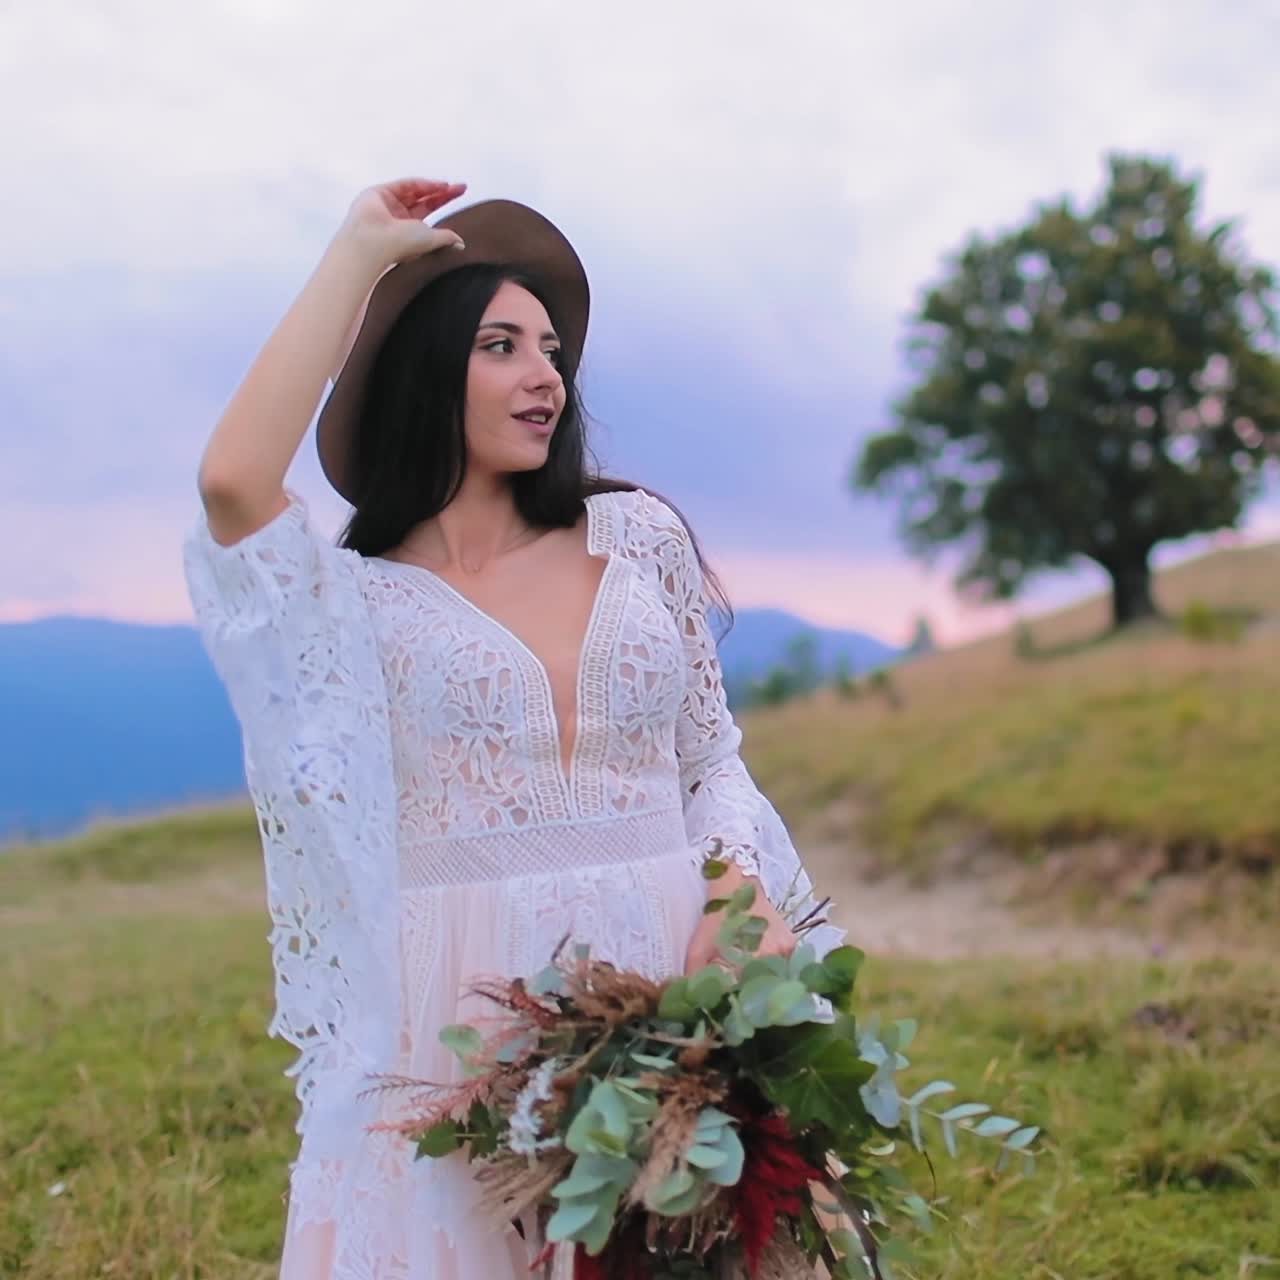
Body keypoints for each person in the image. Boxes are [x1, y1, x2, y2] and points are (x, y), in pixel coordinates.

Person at [182, 177, 845, 1279]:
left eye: (549, 349)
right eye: (500, 344)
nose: (544, 375)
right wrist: (356, 255)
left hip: (668, 977)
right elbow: (232, 480)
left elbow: (708, 755)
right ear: (425, 370)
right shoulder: (353, 605)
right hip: (463, 1011)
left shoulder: (635, 539)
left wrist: (736, 892)